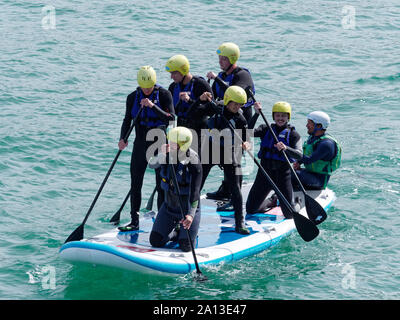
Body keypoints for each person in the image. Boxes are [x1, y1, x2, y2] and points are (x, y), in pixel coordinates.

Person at [118, 66, 175, 231]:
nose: (147, 90)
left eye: (149, 87)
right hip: (140, 143)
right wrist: (123, 138)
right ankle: (134, 221)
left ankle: (162, 220)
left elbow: (171, 118)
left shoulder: (164, 95)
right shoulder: (132, 97)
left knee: (161, 183)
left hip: (159, 142)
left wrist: (152, 106)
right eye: (144, 87)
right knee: (135, 183)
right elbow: (127, 119)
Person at [206, 42, 256, 201]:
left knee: (235, 160)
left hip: (241, 122)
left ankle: (235, 195)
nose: (220, 61)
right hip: (225, 122)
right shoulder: (221, 76)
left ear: (232, 59)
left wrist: (215, 78)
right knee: (222, 157)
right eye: (219, 58)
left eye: (223, 59)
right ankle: (226, 188)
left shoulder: (242, 75)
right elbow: (213, 97)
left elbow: (234, 94)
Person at [199, 86, 251, 235]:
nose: (237, 107)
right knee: (197, 184)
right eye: (234, 103)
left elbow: (246, 137)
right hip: (211, 150)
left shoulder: (240, 118)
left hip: (229, 152)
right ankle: (187, 215)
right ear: (227, 100)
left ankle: (240, 222)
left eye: (240, 104)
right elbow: (195, 113)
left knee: (235, 187)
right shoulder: (215, 109)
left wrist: (246, 143)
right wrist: (201, 100)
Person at [149, 127, 202, 252]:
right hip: (169, 207)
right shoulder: (166, 154)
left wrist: (191, 215)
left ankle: (190, 236)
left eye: (173, 143)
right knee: (155, 241)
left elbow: (195, 192)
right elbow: (151, 165)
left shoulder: (194, 162)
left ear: (183, 145)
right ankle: (175, 233)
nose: (169, 145)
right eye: (169, 141)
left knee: (186, 247)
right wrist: (161, 154)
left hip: (187, 210)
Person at [246, 102, 302, 218]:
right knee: (251, 209)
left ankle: (297, 203)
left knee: (289, 214)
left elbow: (299, 155)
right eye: (277, 115)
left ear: (288, 117)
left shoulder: (293, 134)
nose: (280, 118)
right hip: (265, 174)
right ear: (273, 116)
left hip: (283, 175)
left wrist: (286, 148)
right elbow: (247, 132)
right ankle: (272, 200)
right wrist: (256, 114)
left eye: (283, 116)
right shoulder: (265, 129)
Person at [165, 54, 213, 152]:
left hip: (198, 130)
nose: (171, 77)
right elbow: (172, 112)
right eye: (171, 73)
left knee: (196, 162)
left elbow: (211, 110)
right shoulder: (172, 87)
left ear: (183, 71)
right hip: (181, 129)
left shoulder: (200, 84)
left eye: (174, 73)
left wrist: (190, 101)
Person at [292, 111, 341, 190]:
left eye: (309, 123)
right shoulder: (313, 138)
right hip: (309, 173)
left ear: (319, 126)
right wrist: (298, 162)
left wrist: (286, 149)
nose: (306, 125)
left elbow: (308, 160)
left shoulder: (326, 144)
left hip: (319, 180)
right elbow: (305, 155)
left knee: (288, 173)